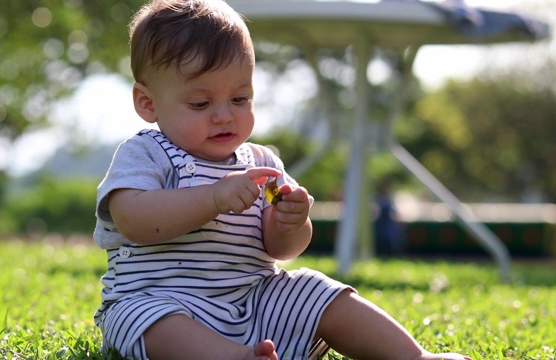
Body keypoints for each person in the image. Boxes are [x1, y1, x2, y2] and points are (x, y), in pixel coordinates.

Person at [92, 0, 471, 359]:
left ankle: (412, 355)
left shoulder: (261, 162)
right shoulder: (147, 153)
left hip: (254, 300)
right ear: (148, 103)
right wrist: (213, 198)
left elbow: (281, 249)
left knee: (316, 290)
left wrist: (290, 221)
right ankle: (233, 356)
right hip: (165, 301)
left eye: (240, 99)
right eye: (201, 104)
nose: (224, 116)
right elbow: (134, 219)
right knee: (143, 320)